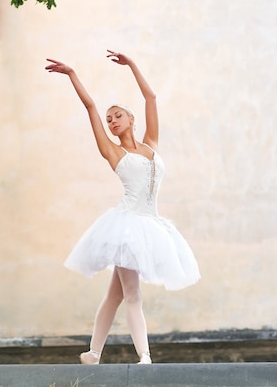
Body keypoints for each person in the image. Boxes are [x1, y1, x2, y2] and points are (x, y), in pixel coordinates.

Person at [45, 50, 200, 365]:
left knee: (115, 295)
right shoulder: (113, 153)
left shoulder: (151, 144)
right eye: (109, 119)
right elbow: (90, 106)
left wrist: (132, 65)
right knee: (132, 295)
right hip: (127, 225)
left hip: (150, 222)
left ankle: (93, 353)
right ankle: (144, 356)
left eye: (117, 115)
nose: (112, 121)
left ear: (131, 119)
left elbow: (151, 97)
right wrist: (73, 74)